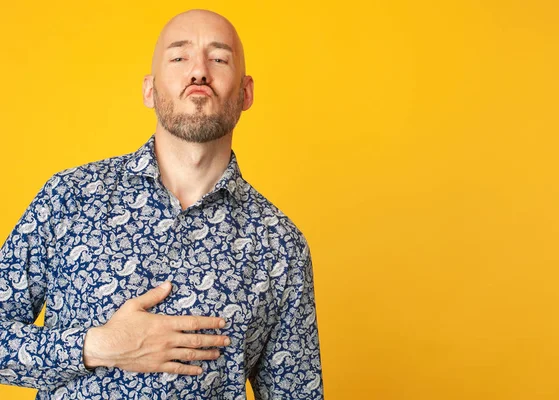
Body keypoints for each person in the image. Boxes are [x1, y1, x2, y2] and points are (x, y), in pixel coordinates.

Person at [0, 9, 324, 399]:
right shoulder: (69, 197)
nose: (199, 72)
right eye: (179, 57)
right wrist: (96, 347)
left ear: (246, 92)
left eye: (219, 58)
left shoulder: (280, 246)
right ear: (149, 89)